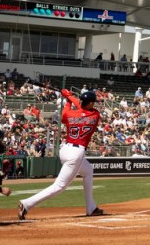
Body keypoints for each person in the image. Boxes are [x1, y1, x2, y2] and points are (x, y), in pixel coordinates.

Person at [18, 89, 104, 220]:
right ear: (91, 103)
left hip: (65, 149)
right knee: (59, 186)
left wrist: (68, 99)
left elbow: (69, 113)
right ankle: (27, 204)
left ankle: (91, 208)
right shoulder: (95, 115)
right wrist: (70, 96)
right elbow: (82, 106)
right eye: (94, 102)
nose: (95, 105)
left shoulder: (70, 114)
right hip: (76, 153)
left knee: (88, 171)